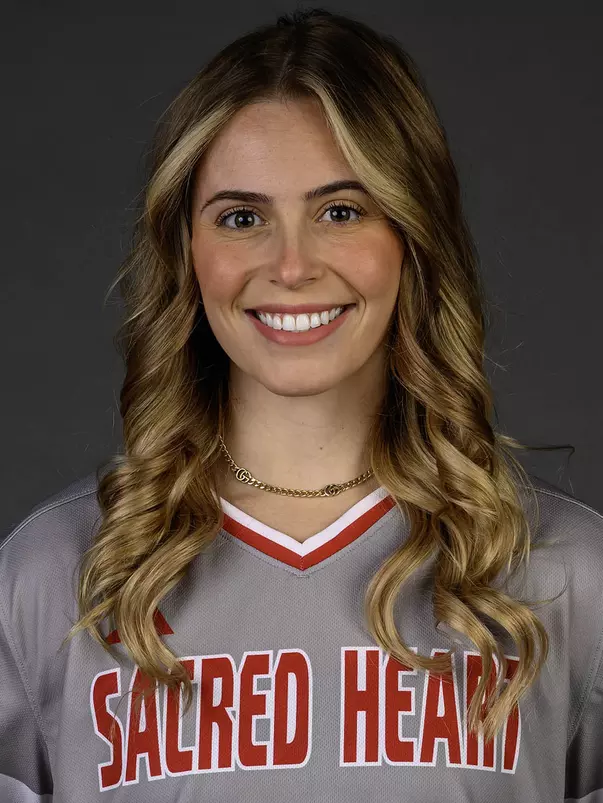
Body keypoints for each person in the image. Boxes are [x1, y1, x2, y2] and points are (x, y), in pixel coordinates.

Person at [1, 7, 601, 802]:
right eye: (242, 218)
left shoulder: (566, 573)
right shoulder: (52, 575)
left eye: (340, 211)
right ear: (188, 249)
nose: (290, 266)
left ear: (412, 237)